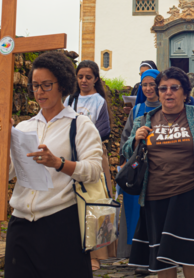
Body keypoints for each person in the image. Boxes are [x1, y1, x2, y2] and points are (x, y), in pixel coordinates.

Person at [0, 51, 104, 278]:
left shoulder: (80, 125)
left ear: (62, 85)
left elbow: (94, 170)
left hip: (60, 223)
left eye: (46, 85)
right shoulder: (24, 127)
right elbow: (0, 173)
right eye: (35, 86)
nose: (39, 92)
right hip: (21, 224)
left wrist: (58, 163)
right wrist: (3, 139)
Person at [123, 67, 194, 276]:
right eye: (163, 88)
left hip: (192, 197)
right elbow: (127, 151)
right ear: (158, 93)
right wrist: (135, 140)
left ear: (185, 93)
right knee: (162, 260)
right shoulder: (145, 120)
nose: (168, 92)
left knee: (191, 256)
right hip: (156, 199)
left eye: (174, 88)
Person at [66, 60, 115, 269]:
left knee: (95, 201)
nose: (84, 80)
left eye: (88, 77)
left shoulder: (99, 101)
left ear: (95, 78)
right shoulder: (70, 99)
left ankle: (96, 254)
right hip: (71, 154)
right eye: (80, 77)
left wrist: (83, 137)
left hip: (93, 154)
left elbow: (104, 129)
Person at [118, 68, 161, 266]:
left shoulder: (168, 107)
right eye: (145, 85)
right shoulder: (137, 110)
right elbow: (126, 137)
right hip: (138, 168)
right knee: (134, 211)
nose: (149, 88)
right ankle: (135, 253)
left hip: (159, 169)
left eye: (152, 84)